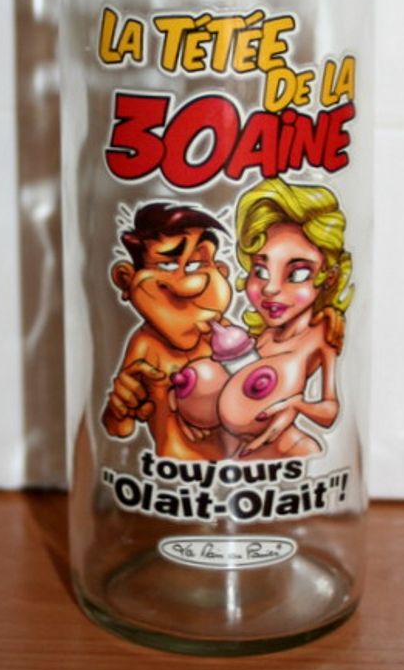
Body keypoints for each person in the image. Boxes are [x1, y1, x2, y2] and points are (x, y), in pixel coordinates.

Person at [219, 177, 352, 458]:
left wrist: (295, 405)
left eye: (297, 273)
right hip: (237, 458)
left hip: (291, 452)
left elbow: (330, 412)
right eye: (260, 271)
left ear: (329, 277)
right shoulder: (263, 336)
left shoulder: (321, 333)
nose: (270, 288)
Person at [103, 202, 232, 459]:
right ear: (126, 279)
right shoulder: (146, 347)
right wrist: (120, 407)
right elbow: (118, 430)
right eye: (168, 266)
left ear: (221, 271)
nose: (190, 285)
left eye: (197, 265)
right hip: (169, 471)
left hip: (243, 470)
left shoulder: (225, 337)